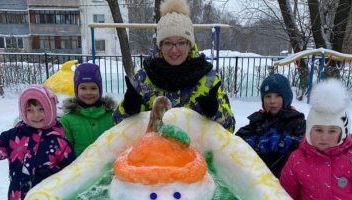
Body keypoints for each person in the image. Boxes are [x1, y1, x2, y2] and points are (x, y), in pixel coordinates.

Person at [113, 0, 235, 132]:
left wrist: (215, 111)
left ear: (190, 44)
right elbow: (117, 123)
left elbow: (230, 127)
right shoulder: (144, 78)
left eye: (181, 43)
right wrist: (128, 108)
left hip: (197, 151)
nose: (174, 50)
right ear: (160, 46)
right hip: (152, 151)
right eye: (167, 43)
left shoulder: (208, 79)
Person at [235, 74, 306, 178]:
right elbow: (237, 140)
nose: (272, 101)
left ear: (286, 97)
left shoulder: (296, 121)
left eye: (277, 96)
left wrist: (286, 142)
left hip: (285, 181)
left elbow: (305, 148)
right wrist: (254, 142)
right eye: (268, 96)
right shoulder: (258, 119)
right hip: (257, 179)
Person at [59, 62, 116, 157]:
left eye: (93, 88)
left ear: (100, 89)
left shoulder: (112, 115)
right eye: (83, 88)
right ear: (76, 90)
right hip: (80, 170)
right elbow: (65, 151)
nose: (88, 92)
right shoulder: (67, 120)